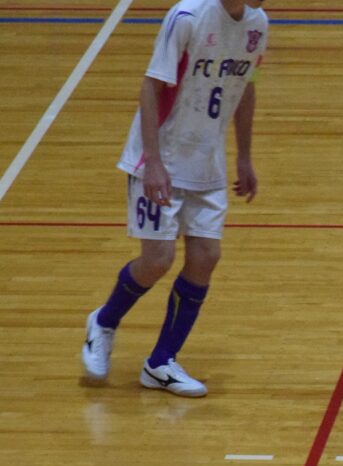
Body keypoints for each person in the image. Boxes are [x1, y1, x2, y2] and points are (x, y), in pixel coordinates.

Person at [81, 0, 268, 397]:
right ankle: (104, 321)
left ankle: (161, 362)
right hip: (160, 157)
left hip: (207, 162)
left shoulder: (258, 25)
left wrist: (245, 156)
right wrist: (152, 163)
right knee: (157, 260)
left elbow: (245, 87)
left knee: (206, 257)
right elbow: (150, 87)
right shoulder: (187, 18)